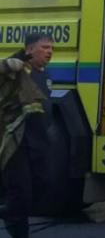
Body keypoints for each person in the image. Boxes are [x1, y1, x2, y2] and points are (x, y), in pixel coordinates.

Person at [0, 33, 54, 238]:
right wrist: (13, 61)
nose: (49, 52)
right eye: (44, 47)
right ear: (30, 49)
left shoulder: (43, 74)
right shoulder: (16, 69)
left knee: (38, 188)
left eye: (51, 48)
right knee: (20, 192)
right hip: (14, 139)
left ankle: (9, 212)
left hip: (36, 142)